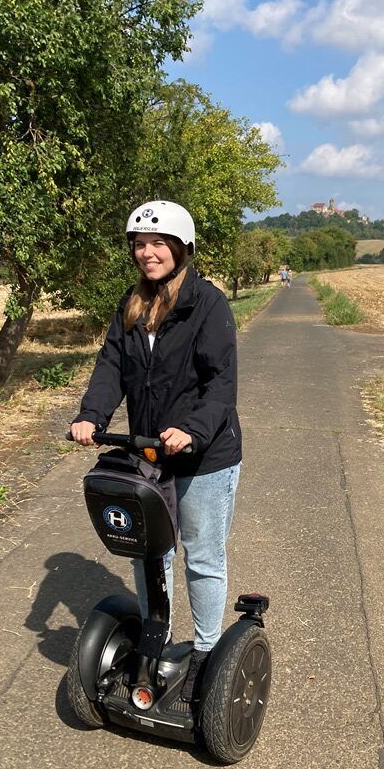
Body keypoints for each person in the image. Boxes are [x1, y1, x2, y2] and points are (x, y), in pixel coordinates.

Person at [70, 200, 241, 702]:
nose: (148, 253)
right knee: (149, 554)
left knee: (202, 556)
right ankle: (155, 644)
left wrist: (192, 429)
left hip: (204, 456)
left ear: (181, 248)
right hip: (149, 455)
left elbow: (221, 383)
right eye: (140, 244)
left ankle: (206, 655)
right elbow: (110, 367)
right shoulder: (132, 304)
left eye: (158, 243)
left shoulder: (207, 304)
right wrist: (91, 415)